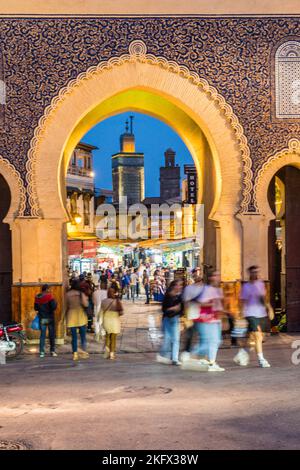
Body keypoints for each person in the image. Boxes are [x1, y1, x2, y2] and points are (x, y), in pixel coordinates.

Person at [234, 265, 271, 368]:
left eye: (257, 272)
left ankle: (241, 353)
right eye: (253, 272)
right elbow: (242, 302)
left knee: (253, 338)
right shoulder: (246, 287)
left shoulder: (261, 284)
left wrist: (269, 308)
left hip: (261, 313)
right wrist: (240, 314)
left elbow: (263, 298)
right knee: (258, 337)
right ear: (249, 273)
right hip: (250, 313)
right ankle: (261, 360)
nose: (255, 274)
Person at [193, 271, 225, 372]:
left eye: (219, 275)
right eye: (216, 275)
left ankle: (206, 360)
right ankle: (210, 363)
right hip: (208, 319)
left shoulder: (218, 290)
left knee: (215, 341)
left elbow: (220, 305)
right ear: (211, 278)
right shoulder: (207, 289)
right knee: (212, 341)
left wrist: (222, 313)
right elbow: (200, 304)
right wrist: (213, 304)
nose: (218, 277)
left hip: (216, 318)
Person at [156, 279, 184, 366]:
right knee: (167, 339)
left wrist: (180, 312)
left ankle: (174, 359)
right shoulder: (168, 296)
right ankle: (162, 355)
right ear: (174, 286)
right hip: (167, 320)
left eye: (181, 285)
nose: (180, 287)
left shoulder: (180, 296)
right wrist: (173, 308)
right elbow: (164, 309)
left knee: (176, 340)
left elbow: (181, 309)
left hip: (175, 319)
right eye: (179, 285)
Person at [181, 270, 204, 360]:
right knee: (190, 335)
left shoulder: (204, 288)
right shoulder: (189, 288)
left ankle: (198, 353)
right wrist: (185, 315)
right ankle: (187, 352)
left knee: (201, 335)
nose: (198, 277)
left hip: (201, 315)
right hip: (191, 315)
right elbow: (185, 302)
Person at [66, 279, 89, 361]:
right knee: (83, 336)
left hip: (71, 316)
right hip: (80, 316)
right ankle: (83, 352)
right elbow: (86, 304)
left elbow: (65, 306)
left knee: (74, 337)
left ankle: (75, 354)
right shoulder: (80, 293)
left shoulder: (67, 294)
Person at [100, 286, 124, 360]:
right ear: (114, 293)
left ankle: (107, 352)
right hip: (114, 321)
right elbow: (121, 313)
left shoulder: (103, 301)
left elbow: (101, 312)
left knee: (107, 337)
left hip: (106, 320)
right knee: (113, 338)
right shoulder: (116, 301)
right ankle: (112, 354)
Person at [34, 284, 58, 358]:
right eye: (49, 289)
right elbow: (54, 307)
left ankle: (41, 352)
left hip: (42, 318)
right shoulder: (49, 296)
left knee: (42, 335)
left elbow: (36, 308)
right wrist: (56, 303)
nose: (50, 290)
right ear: (47, 289)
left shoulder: (37, 297)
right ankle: (52, 351)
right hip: (50, 318)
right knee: (51, 334)